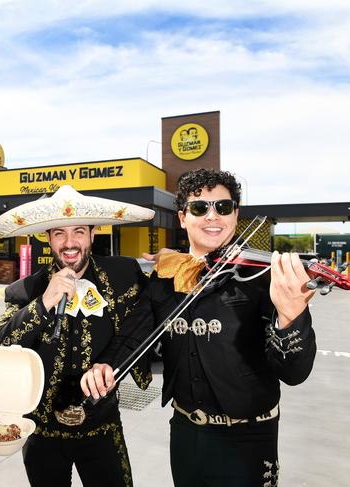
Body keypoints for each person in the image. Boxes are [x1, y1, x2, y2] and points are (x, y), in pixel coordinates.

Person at [81, 168, 316, 486]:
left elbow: (294, 373)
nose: (212, 216)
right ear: (182, 217)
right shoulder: (165, 276)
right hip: (186, 432)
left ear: (235, 214)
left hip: (249, 438)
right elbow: (133, 335)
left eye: (222, 206)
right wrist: (106, 364)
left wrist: (291, 319)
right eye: (199, 207)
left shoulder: (264, 278)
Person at [0, 184, 155, 487]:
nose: (70, 242)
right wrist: (43, 303)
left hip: (102, 427)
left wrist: (110, 364)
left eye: (79, 231)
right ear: (48, 238)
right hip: (41, 432)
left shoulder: (123, 275)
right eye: (59, 233)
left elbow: (142, 324)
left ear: (92, 234)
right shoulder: (24, 290)